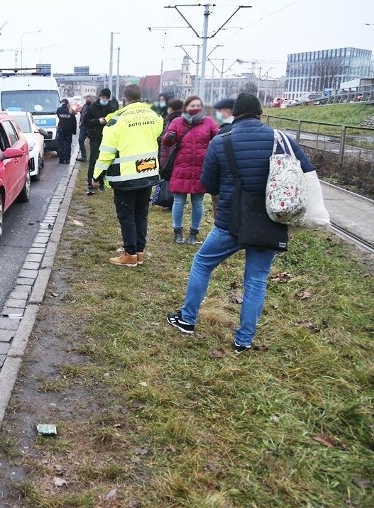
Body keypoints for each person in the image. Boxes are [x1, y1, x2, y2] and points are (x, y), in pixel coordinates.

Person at [166, 93, 315, 353]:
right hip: (268, 222)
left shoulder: (221, 141)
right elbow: (305, 172)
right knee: (256, 279)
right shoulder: (281, 139)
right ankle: (243, 340)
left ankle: (187, 320)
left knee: (202, 263)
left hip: (229, 223)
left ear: (234, 114)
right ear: (260, 114)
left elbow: (208, 184)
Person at [92, 84, 163, 266]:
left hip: (126, 177)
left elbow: (106, 152)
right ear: (141, 97)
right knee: (141, 214)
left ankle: (129, 254)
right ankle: (139, 252)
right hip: (147, 172)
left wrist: (96, 176)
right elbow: (156, 134)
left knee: (127, 215)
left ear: (124, 99)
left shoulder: (117, 121)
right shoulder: (154, 116)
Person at [162, 96, 218, 245]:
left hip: (201, 168)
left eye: (198, 105)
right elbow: (166, 141)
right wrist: (169, 137)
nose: (195, 107)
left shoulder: (208, 122)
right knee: (179, 201)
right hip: (182, 167)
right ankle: (178, 232)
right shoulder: (177, 122)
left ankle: (194, 232)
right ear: (186, 107)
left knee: (198, 201)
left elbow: (217, 138)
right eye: (192, 105)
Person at [84, 88, 119, 194]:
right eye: (102, 97)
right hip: (95, 137)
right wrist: (97, 121)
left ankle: (101, 182)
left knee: (105, 160)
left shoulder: (111, 108)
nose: (104, 99)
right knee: (93, 160)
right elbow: (86, 122)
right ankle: (90, 183)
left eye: (106, 98)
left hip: (107, 138)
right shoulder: (92, 108)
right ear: (100, 97)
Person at [56, 98, 76, 164]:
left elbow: (58, 116)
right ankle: (67, 159)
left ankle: (62, 159)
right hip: (69, 130)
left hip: (61, 129)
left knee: (61, 145)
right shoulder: (71, 111)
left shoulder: (59, 110)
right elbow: (74, 122)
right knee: (68, 145)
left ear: (62, 103)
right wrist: (74, 131)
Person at [76, 94, 94, 162]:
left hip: (90, 127)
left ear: (92, 99)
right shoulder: (84, 105)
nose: (87, 99)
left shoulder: (93, 107)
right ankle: (84, 157)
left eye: (88, 98)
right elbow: (82, 114)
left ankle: (93, 157)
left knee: (92, 143)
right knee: (80, 141)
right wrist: (80, 122)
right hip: (83, 127)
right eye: (86, 98)